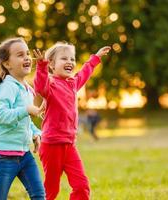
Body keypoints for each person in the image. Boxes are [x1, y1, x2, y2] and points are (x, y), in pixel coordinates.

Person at [33, 43, 111, 200]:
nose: (69, 61)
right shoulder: (51, 84)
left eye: (72, 59)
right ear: (52, 64)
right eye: (64, 58)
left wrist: (95, 58)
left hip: (70, 145)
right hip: (51, 146)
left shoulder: (73, 84)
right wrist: (41, 66)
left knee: (82, 186)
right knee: (51, 190)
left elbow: (85, 72)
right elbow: (40, 87)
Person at [0, 37, 45, 199]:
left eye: (27, 53)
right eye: (20, 55)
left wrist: (35, 133)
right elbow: (0, 116)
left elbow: (25, 121)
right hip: (2, 155)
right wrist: (26, 109)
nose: (27, 57)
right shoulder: (7, 87)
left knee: (39, 195)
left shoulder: (26, 89)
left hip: (24, 154)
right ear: (7, 64)